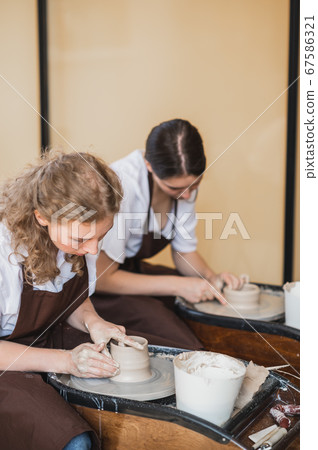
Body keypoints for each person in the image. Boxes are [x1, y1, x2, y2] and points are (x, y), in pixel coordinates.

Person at [0, 151, 142, 450]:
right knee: (75, 442)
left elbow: (72, 300)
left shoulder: (77, 241)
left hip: (48, 339)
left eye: (100, 238)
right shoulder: (4, 254)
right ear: (41, 216)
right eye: (81, 240)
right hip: (7, 362)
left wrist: (95, 322)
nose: (93, 251)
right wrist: (67, 361)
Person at [93, 119, 243, 350]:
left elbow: (184, 251)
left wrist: (211, 279)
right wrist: (179, 285)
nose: (186, 196)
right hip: (97, 290)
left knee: (201, 314)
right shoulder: (122, 185)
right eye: (175, 189)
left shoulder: (185, 183)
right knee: (187, 346)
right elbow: (102, 279)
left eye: (194, 185)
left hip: (132, 272)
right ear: (149, 165)